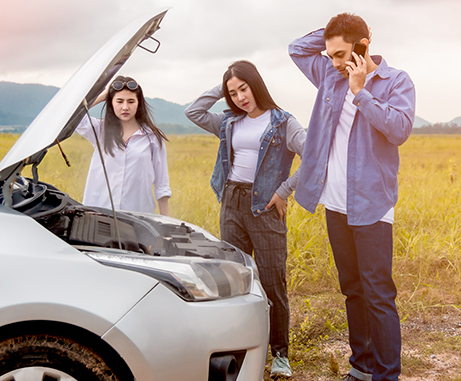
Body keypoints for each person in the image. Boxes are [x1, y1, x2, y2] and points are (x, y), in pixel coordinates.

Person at [289, 13, 415, 381]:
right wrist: (337, 40)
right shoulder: (329, 76)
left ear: (363, 47)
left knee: (378, 294)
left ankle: (386, 375)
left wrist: (362, 91)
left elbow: (399, 130)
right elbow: (297, 49)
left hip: (373, 205)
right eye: (330, 55)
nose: (334, 62)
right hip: (336, 203)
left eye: (341, 53)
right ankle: (361, 367)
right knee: (352, 290)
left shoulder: (396, 81)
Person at [184, 60, 306, 379]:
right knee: (234, 279)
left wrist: (283, 191)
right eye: (232, 92)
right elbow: (193, 112)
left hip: (265, 208)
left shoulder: (283, 122)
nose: (240, 97)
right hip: (232, 204)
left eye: (243, 88)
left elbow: (314, 156)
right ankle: (237, 349)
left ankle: (280, 354)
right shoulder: (229, 122)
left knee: (271, 282)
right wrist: (222, 83)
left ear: (256, 84)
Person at [77, 75, 171, 215]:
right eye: (119, 101)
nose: (125, 107)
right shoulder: (99, 130)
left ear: (139, 103)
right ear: (111, 103)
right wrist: (103, 95)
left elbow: (161, 186)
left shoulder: (153, 137)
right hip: (98, 213)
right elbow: (73, 116)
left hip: (138, 216)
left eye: (131, 101)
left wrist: (166, 224)